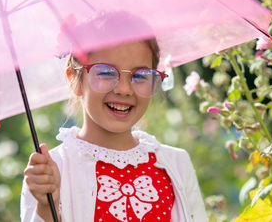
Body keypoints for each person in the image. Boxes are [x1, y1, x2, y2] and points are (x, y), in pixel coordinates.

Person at [20, 12, 207, 222]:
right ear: (74, 79)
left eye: (140, 76)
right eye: (107, 73)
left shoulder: (176, 164)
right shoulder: (50, 173)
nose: (125, 89)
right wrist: (47, 207)